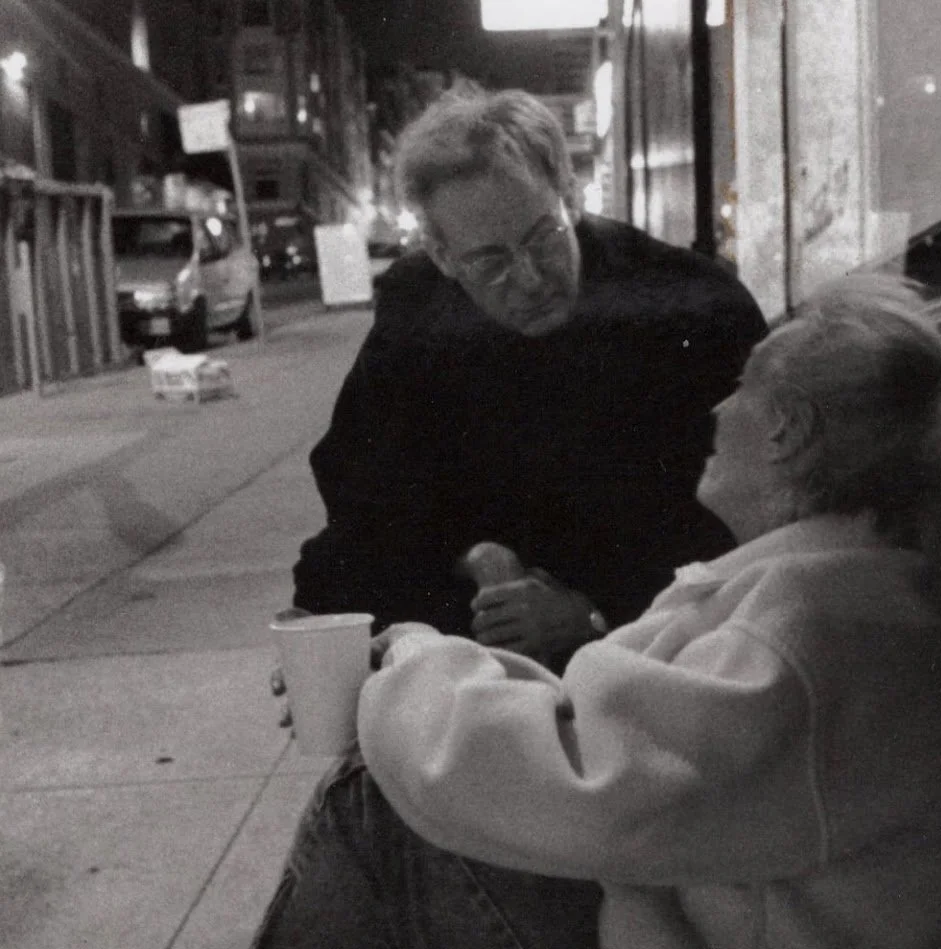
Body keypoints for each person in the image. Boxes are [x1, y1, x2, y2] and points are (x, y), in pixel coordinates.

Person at [24, 276, 941, 949]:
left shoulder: (808, 636)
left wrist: (408, 659)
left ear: (785, 430)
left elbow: (583, 785)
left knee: (386, 807)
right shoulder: (832, 599)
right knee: (416, 783)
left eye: (740, 386)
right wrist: (423, 666)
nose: (716, 408)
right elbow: (599, 739)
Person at [289, 85, 767, 669]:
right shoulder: (418, 308)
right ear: (442, 257)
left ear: (570, 198)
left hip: (656, 621)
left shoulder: (693, 306)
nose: (531, 279)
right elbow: (360, 488)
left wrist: (594, 610)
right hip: (483, 606)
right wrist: (470, 555)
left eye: (544, 238)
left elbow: (750, 515)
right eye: (490, 262)